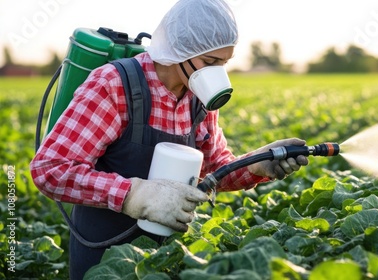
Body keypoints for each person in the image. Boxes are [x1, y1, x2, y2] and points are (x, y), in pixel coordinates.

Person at [30, 0, 308, 279]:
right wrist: (134, 195)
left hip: (166, 258)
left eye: (223, 63)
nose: (216, 73)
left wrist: (257, 164)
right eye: (210, 62)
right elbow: (51, 169)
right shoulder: (114, 84)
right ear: (180, 51)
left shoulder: (199, 97)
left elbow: (214, 170)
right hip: (104, 260)